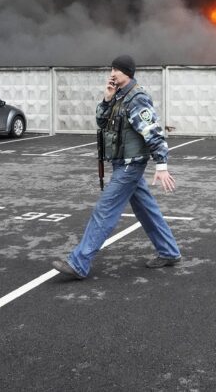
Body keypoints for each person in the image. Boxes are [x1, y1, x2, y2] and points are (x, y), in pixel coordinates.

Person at [52, 55, 181, 280]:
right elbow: (101, 122)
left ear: (127, 72)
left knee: (105, 210)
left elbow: (154, 132)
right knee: (146, 210)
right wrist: (106, 99)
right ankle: (169, 251)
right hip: (122, 163)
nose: (112, 73)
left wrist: (161, 165)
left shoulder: (137, 98)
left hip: (131, 166)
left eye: (117, 70)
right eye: (111, 69)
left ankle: (79, 263)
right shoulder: (118, 97)